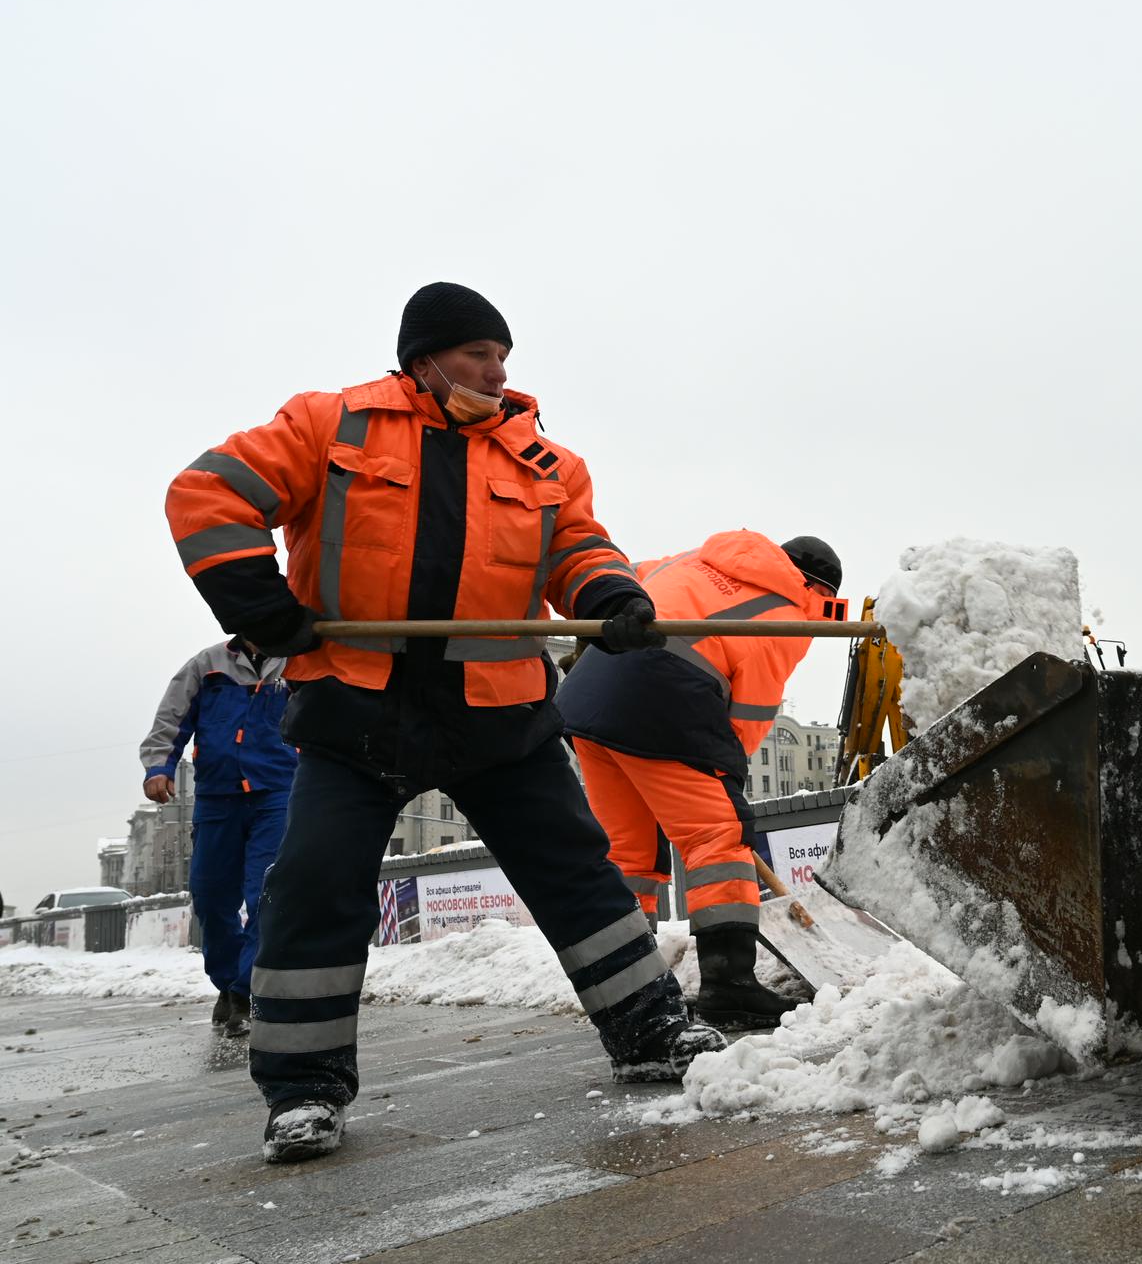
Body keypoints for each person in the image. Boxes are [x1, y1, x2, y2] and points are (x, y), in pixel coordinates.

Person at [164, 282, 724, 1164]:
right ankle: (304, 1090)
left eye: (504, 355)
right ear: (423, 358)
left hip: (498, 714)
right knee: (314, 884)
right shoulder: (331, 425)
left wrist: (611, 595)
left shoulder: (544, 462)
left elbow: (577, 549)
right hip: (358, 707)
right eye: (478, 353)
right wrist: (264, 608)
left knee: (577, 873)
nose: (497, 370)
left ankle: (652, 1030)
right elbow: (206, 495)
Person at [557, 530, 843, 1029]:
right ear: (820, 592)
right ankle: (729, 988)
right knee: (720, 837)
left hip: (587, 698)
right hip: (663, 701)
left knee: (630, 858)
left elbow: (621, 585)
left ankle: (633, 995)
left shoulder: (695, 560)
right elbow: (750, 711)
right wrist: (722, 779)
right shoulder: (788, 610)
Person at [139, 639, 298, 1038]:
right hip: (216, 797)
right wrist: (159, 765)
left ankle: (246, 992)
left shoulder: (298, 662)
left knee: (266, 893)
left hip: (277, 793)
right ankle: (227, 983)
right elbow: (171, 718)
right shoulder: (207, 665)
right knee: (209, 897)